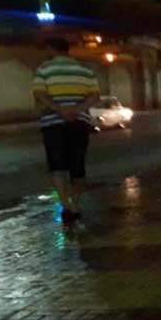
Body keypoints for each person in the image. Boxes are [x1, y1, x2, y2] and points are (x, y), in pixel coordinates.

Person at [32, 37, 100, 223]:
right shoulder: (85, 71)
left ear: (51, 48)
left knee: (57, 166)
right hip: (79, 123)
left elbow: (40, 94)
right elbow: (94, 95)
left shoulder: (44, 70)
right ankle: (76, 204)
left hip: (53, 124)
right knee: (78, 166)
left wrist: (59, 110)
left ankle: (65, 204)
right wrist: (76, 110)